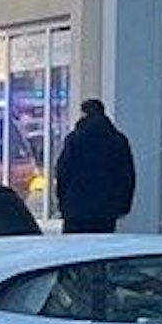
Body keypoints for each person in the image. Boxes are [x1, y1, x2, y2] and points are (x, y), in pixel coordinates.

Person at [53, 99, 136, 234]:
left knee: (75, 251)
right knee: (102, 249)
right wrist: (123, 206)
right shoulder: (118, 140)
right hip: (106, 211)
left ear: (84, 115)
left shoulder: (75, 139)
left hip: (76, 210)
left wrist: (63, 203)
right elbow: (126, 176)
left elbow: (63, 172)